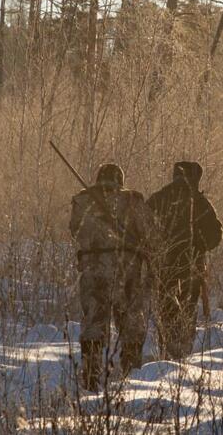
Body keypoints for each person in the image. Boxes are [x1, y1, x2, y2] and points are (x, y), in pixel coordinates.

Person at [69, 164, 160, 390]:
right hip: (127, 270)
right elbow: (151, 233)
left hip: (93, 270)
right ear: (120, 180)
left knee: (93, 322)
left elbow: (75, 232)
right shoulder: (133, 201)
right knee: (131, 323)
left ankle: (91, 377)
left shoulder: (82, 201)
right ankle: (131, 377)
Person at [147, 161, 223, 361]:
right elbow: (215, 235)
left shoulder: (158, 199)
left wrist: (156, 248)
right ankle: (182, 356)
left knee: (166, 307)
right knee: (188, 308)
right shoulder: (200, 202)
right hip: (192, 265)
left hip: (163, 264)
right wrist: (199, 245)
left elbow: (142, 227)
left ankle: (165, 354)